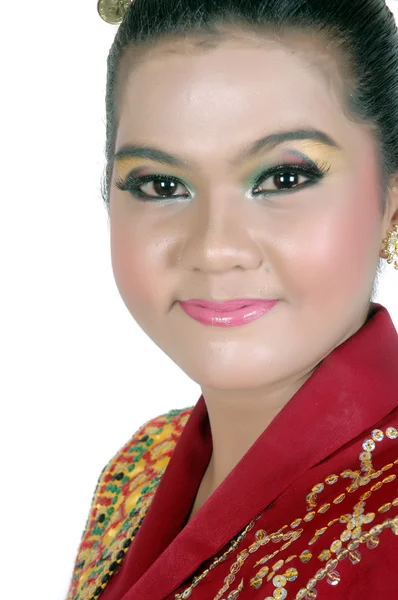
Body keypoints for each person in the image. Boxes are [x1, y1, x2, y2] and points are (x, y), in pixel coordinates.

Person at [66, 0, 398, 598]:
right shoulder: (139, 467)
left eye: (284, 178)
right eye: (162, 184)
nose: (215, 248)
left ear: (390, 199)